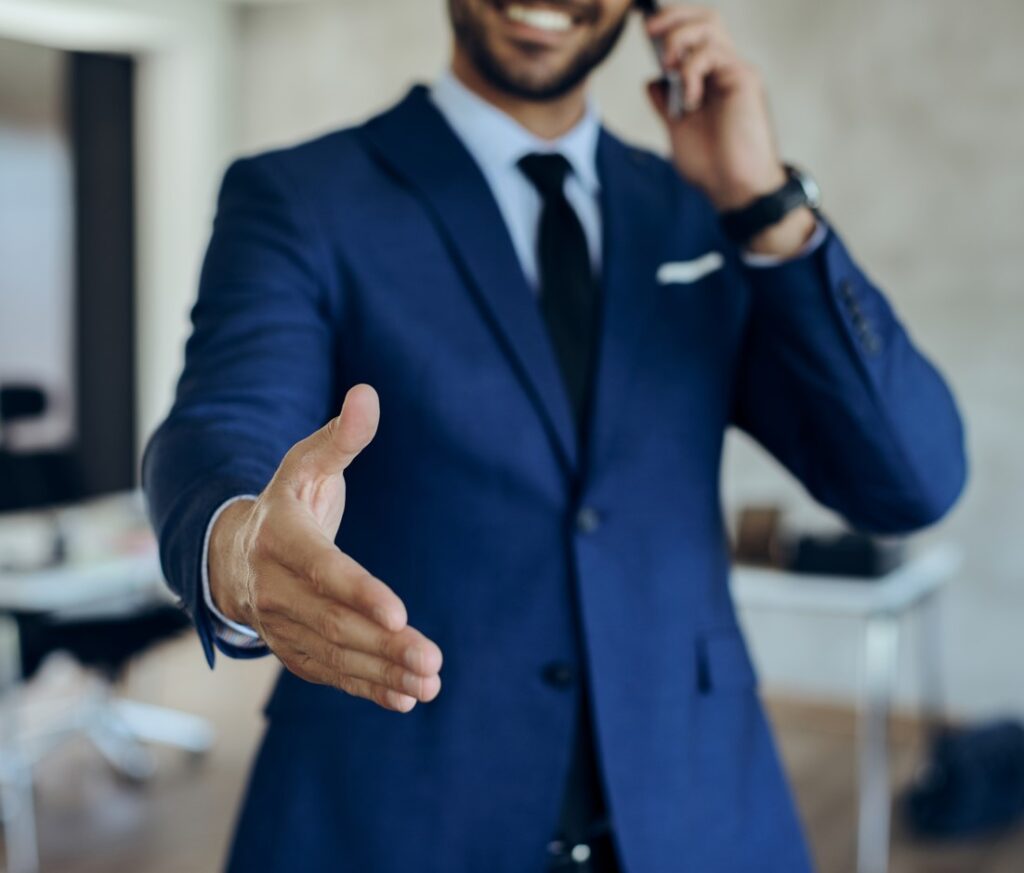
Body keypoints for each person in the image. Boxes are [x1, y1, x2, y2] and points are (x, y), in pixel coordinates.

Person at [143, 2, 967, 871]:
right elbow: (221, 418)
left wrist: (768, 204)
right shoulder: (299, 194)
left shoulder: (700, 208)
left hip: (695, 806)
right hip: (395, 807)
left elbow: (910, 477)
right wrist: (237, 546)